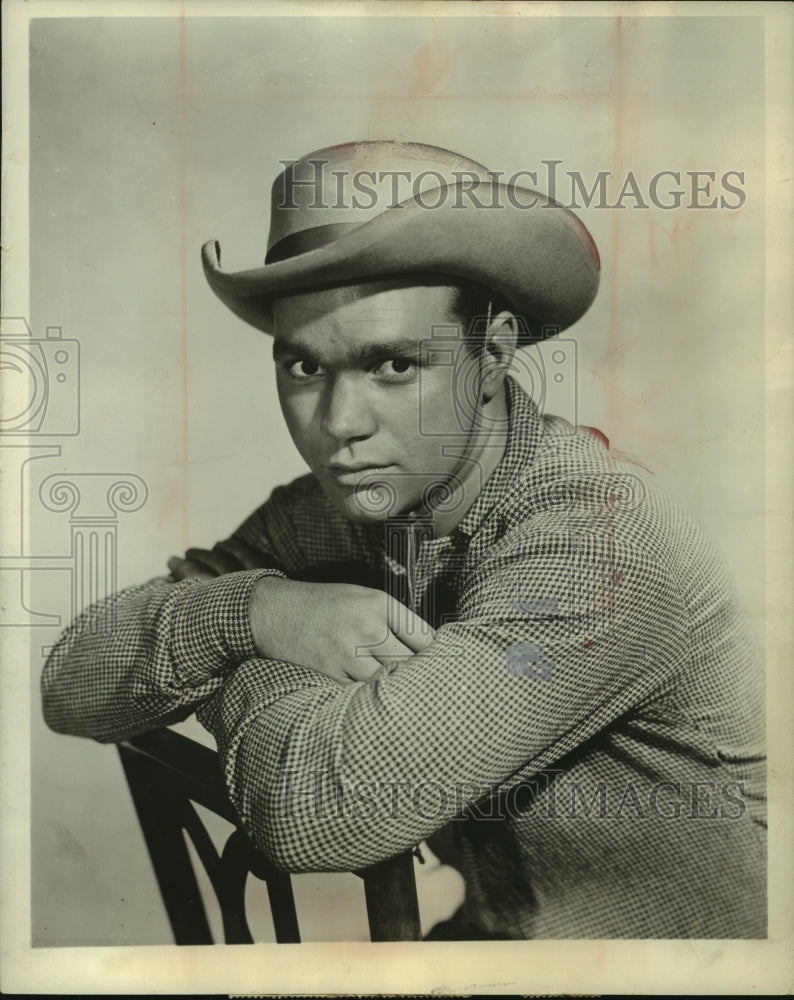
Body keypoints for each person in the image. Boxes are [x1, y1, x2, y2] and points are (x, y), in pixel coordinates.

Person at [41, 140, 766, 939]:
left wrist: (231, 661)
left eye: (391, 364)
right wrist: (258, 614)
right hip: (496, 943)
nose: (340, 426)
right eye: (305, 368)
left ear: (491, 352)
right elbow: (71, 685)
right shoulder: (349, 502)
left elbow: (313, 810)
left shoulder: (597, 544)